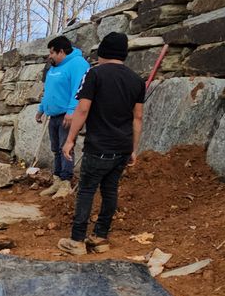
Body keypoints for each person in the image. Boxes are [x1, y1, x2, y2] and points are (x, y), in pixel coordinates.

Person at [58, 32, 144, 256]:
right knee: (110, 191)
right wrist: (133, 149)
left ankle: (77, 240)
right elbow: (137, 118)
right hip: (122, 147)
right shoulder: (137, 80)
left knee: (86, 190)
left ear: (103, 52)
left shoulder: (94, 74)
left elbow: (83, 109)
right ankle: (100, 238)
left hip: (99, 147)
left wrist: (69, 140)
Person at [35, 35, 90, 185]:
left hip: (67, 115)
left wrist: (71, 112)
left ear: (61, 52)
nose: (50, 56)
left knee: (65, 148)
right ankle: (57, 179)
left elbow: (79, 90)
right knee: (56, 149)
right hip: (54, 115)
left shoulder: (78, 64)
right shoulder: (54, 67)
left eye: (52, 52)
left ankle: (65, 180)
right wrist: (41, 109)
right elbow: (49, 91)